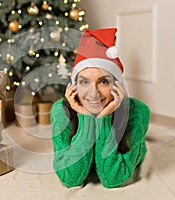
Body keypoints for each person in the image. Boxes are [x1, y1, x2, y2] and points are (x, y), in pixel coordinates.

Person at [50, 28, 150, 188]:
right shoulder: (61, 111)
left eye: (103, 81)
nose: (93, 93)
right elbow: (70, 178)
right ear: (74, 86)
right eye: (84, 82)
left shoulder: (138, 112)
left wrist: (104, 119)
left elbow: (113, 178)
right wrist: (86, 118)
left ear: (117, 84)